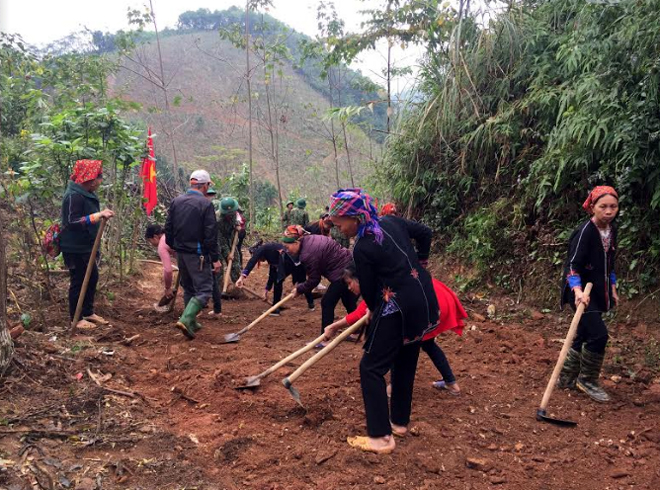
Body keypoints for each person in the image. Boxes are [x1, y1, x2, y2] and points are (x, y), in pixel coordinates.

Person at [329, 188, 439, 455]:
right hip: (423, 301)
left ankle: (380, 437)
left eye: (340, 222)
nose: (338, 227)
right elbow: (425, 233)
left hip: (397, 308)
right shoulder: (392, 221)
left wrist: (373, 312)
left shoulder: (363, 247)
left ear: (355, 217)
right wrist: (422, 262)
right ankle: (399, 423)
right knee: (405, 360)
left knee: (371, 368)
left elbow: (368, 290)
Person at [324, 263, 465, 395]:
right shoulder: (379, 278)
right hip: (433, 298)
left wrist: (334, 326)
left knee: (396, 342)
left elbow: (359, 314)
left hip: (428, 302)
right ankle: (451, 383)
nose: (349, 288)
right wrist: (333, 327)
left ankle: (394, 387)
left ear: (359, 278)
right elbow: (362, 312)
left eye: (350, 283)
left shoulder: (377, 284)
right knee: (426, 343)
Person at [558, 186, 619, 403]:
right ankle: (587, 380)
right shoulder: (585, 231)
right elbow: (572, 265)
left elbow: (610, 263)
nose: (609, 211)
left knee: (583, 332)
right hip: (581, 293)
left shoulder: (612, 230)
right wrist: (577, 291)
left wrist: (612, 287)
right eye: (603, 207)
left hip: (599, 291)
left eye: (613, 206)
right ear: (592, 208)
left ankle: (566, 377)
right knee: (599, 334)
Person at [165, 170, 221, 339]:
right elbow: (210, 234)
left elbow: (168, 227)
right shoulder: (205, 204)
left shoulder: (176, 201)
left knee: (189, 287)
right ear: (204, 185)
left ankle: (192, 321)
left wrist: (173, 245)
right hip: (198, 255)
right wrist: (216, 259)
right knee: (204, 289)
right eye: (208, 185)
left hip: (181, 253)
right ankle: (186, 318)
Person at [60, 159, 115, 330]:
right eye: (99, 177)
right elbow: (71, 222)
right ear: (90, 179)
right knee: (78, 280)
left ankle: (88, 312)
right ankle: (75, 319)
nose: (100, 181)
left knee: (92, 277)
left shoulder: (84, 192)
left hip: (86, 245)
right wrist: (97, 216)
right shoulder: (74, 196)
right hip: (74, 247)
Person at [281, 225, 357, 340]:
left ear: (296, 242)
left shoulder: (307, 254)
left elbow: (314, 280)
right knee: (348, 300)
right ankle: (357, 332)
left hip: (342, 272)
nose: (287, 251)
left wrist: (299, 289)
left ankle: (325, 338)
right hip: (348, 263)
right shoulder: (307, 239)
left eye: (288, 247)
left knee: (327, 302)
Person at [235, 242, 315, 315]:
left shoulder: (262, 249)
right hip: (295, 262)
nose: (261, 261)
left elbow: (252, 261)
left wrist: (242, 277)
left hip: (292, 261)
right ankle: (311, 304)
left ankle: (276, 309)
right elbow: (272, 273)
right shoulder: (271, 254)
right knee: (302, 282)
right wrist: (266, 290)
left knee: (278, 281)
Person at [145, 224, 176, 302]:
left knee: (190, 287)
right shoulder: (170, 235)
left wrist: (167, 288)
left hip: (192, 260)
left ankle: (190, 313)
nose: (150, 244)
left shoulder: (162, 245)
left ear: (155, 237)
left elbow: (168, 270)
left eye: (150, 241)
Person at [216, 197, 243, 286]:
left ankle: (238, 286)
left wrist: (237, 225)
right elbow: (221, 240)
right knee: (219, 266)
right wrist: (228, 254)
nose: (232, 214)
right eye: (229, 214)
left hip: (231, 241)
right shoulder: (217, 220)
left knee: (235, 264)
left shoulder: (234, 212)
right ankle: (218, 290)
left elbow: (235, 221)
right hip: (218, 244)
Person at [205, 188, 222, 316]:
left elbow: (210, 233)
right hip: (211, 247)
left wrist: (214, 258)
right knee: (212, 279)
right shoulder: (209, 206)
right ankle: (216, 309)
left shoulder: (208, 206)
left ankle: (215, 308)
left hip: (207, 249)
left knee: (210, 279)